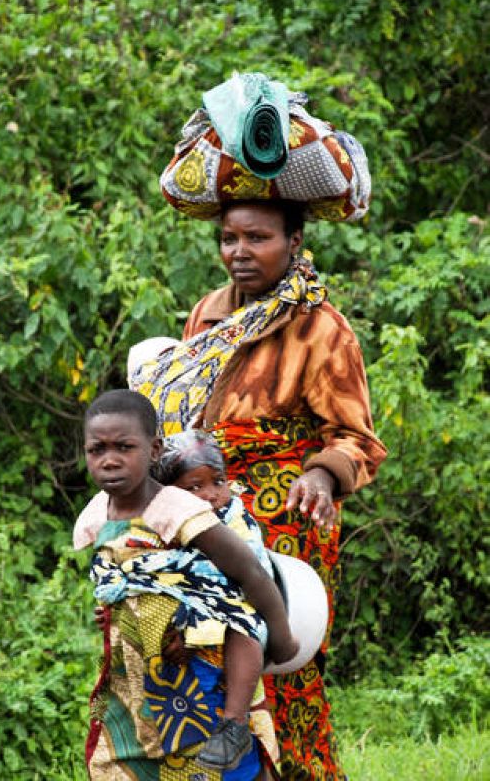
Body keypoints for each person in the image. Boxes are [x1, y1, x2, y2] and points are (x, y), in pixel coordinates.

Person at [128, 197, 388, 779]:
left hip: (285, 517)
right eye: (229, 239)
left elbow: (355, 437)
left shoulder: (321, 328)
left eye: (258, 238)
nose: (240, 252)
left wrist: (322, 474)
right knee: (198, 656)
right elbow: (184, 421)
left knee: (280, 662)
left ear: (294, 241)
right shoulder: (206, 316)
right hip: (201, 513)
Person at [78, 388, 298, 778]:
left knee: (210, 759)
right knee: (133, 757)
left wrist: (280, 636)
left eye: (125, 447)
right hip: (136, 673)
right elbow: (120, 581)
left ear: (154, 449)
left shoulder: (177, 510)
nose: (110, 460)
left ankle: (233, 729)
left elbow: (247, 571)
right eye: (98, 449)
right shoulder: (96, 514)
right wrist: (113, 613)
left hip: (200, 665)